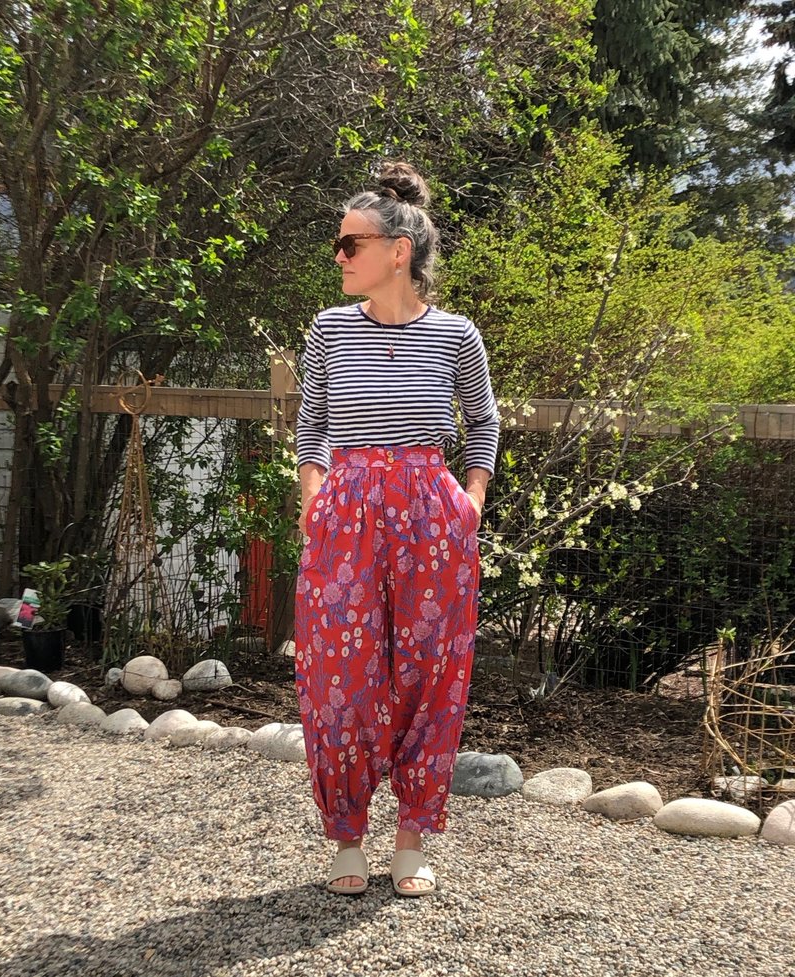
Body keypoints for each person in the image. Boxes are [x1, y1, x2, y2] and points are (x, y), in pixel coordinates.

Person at [294, 161, 500, 897]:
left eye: (351, 244)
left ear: (398, 251)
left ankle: (411, 836)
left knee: (428, 673)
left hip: (431, 518)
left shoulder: (456, 336)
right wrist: (313, 495)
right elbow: (311, 425)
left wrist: (470, 499)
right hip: (345, 515)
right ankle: (347, 836)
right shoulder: (330, 330)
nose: (339, 256)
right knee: (340, 678)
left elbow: (484, 423)